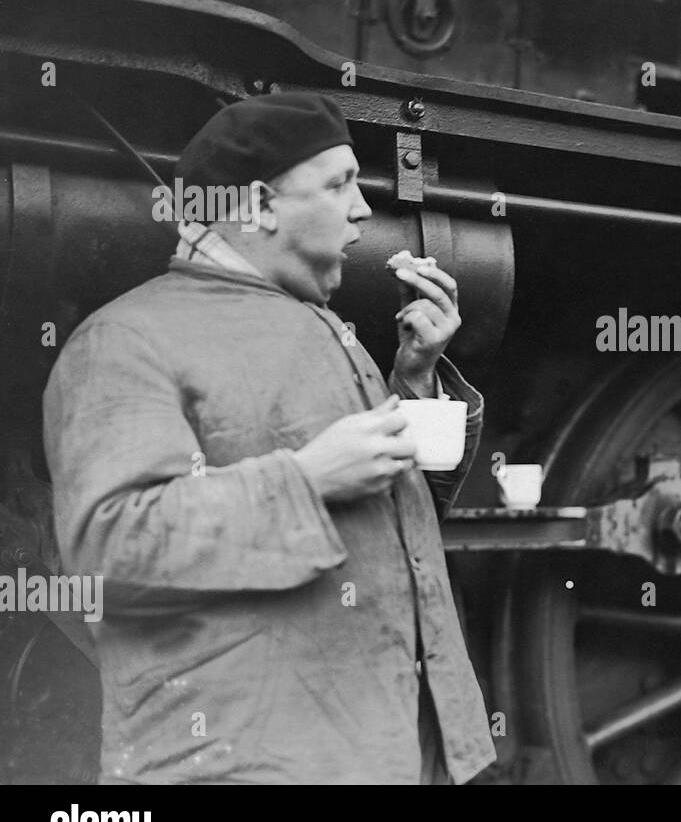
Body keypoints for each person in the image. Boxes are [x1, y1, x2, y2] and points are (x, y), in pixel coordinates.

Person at [43, 92, 495, 784]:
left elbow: (391, 527)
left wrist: (416, 378)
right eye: (340, 183)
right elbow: (111, 551)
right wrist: (307, 479)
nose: (365, 208)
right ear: (256, 206)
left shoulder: (327, 334)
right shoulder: (123, 340)